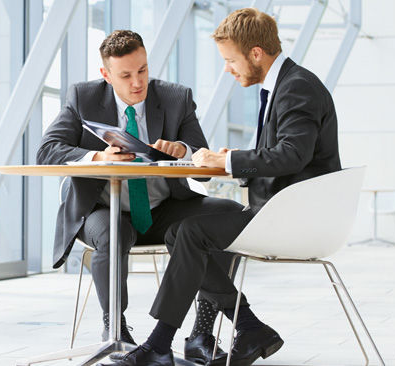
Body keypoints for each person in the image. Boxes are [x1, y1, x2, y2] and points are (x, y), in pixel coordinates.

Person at [103, 7, 342, 366]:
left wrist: (228, 162)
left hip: (296, 218)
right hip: (285, 211)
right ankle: (248, 327)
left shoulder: (297, 88)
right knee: (180, 234)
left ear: (256, 53)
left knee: (191, 233)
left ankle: (159, 345)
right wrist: (235, 158)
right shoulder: (286, 84)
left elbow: (292, 155)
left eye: (231, 60)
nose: (227, 69)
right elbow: (286, 152)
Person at [36, 30, 243, 363]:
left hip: (164, 209)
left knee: (227, 215)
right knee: (112, 233)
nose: (137, 82)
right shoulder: (84, 97)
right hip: (104, 210)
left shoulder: (176, 98)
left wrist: (184, 151)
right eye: (126, 75)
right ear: (106, 75)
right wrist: (97, 157)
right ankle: (115, 330)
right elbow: (46, 151)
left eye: (143, 70)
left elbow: (204, 167)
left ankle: (202, 332)